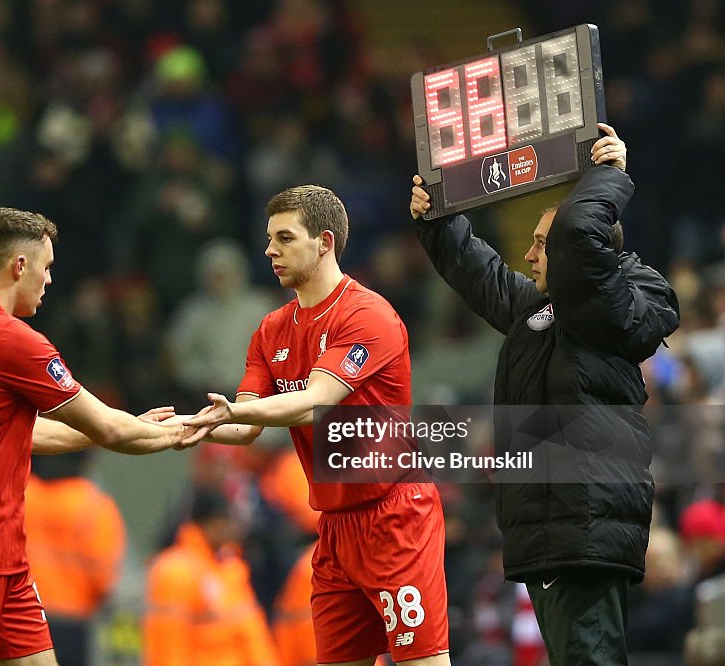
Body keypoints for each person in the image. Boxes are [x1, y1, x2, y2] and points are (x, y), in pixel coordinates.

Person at [409, 123, 680, 666]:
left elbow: (579, 230)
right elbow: (477, 271)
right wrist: (435, 216)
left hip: (583, 526)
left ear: (578, 257)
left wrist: (608, 175)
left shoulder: (609, 309)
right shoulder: (542, 313)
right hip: (551, 532)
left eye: (540, 244)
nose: (529, 256)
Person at [0, 207, 191, 666]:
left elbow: (21, 431)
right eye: (47, 267)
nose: (49, 280)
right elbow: (112, 427)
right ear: (20, 266)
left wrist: (108, 431)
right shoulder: (12, 339)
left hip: (0, 551)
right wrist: (183, 429)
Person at [185, 185, 451, 665]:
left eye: (284, 238)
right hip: (333, 528)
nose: (270, 250)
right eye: (269, 239)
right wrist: (181, 429)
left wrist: (232, 412)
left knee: (423, 662)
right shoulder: (270, 329)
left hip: (395, 516)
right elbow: (245, 426)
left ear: (324, 242)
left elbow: (316, 404)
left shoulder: (367, 314)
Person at [142, 488, 280, 666]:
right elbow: (169, 646)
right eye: (229, 521)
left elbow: (253, 635)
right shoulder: (176, 572)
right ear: (212, 523)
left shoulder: (230, 569)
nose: (235, 529)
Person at [24, 451, 127, 666]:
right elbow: (104, 579)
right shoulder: (94, 505)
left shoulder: (24, 492)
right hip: (73, 623)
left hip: (23, 615)